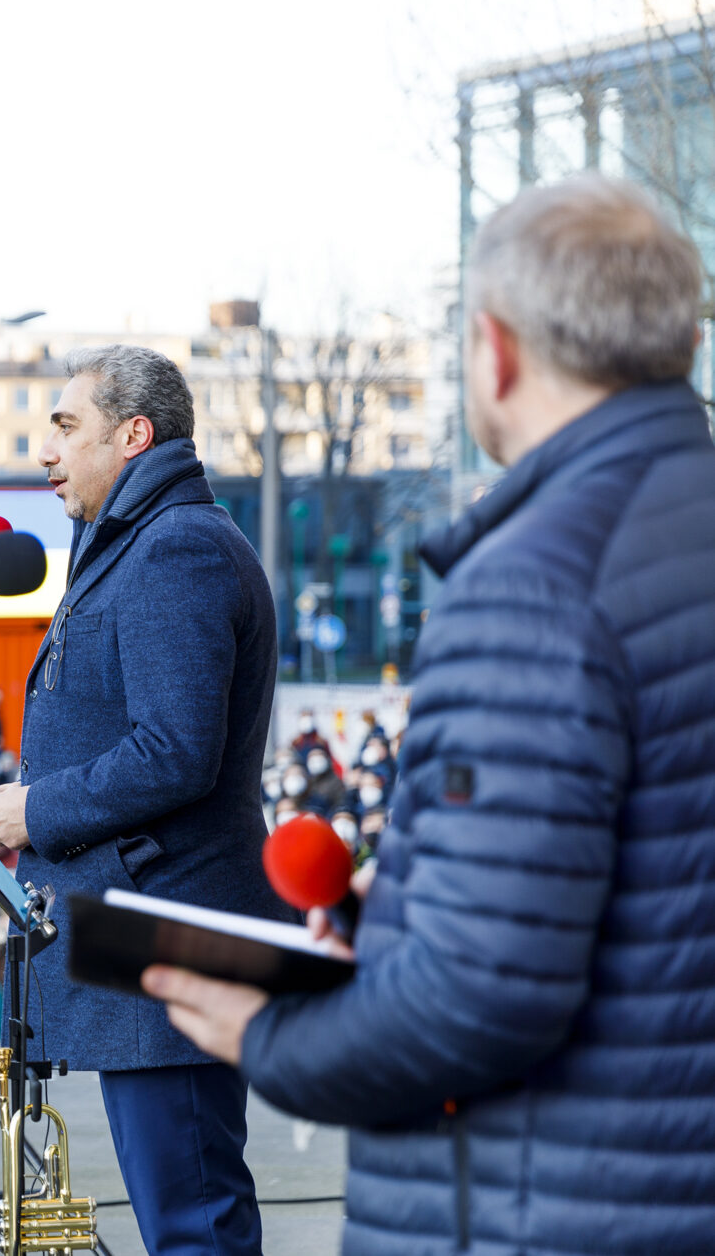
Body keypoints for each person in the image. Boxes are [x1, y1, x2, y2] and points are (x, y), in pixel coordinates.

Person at [144, 176, 715, 1254]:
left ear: (495, 352)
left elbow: (479, 996)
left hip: (545, 1209)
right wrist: (409, 904)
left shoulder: (534, 586)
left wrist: (268, 1034)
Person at [0, 342, 289, 1256]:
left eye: (68, 428)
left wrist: (40, 809)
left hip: (172, 938)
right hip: (155, 935)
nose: (48, 452)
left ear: (134, 436)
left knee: (193, 1224)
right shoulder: (143, 542)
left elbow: (174, 750)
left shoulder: (176, 548)